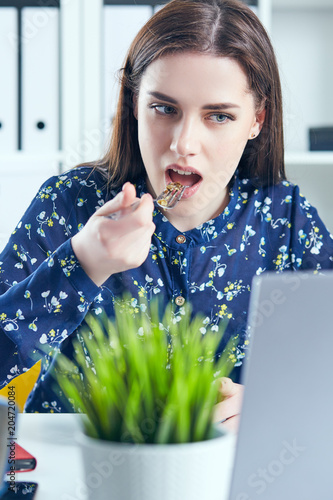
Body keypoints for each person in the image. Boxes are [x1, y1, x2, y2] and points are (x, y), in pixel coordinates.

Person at [1, 0, 333, 429]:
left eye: (218, 115)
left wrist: (272, 401)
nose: (183, 143)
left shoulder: (286, 221)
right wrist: (81, 263)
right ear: (136, 103)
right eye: (165, 108)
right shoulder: (69, 204)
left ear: (257, 119)